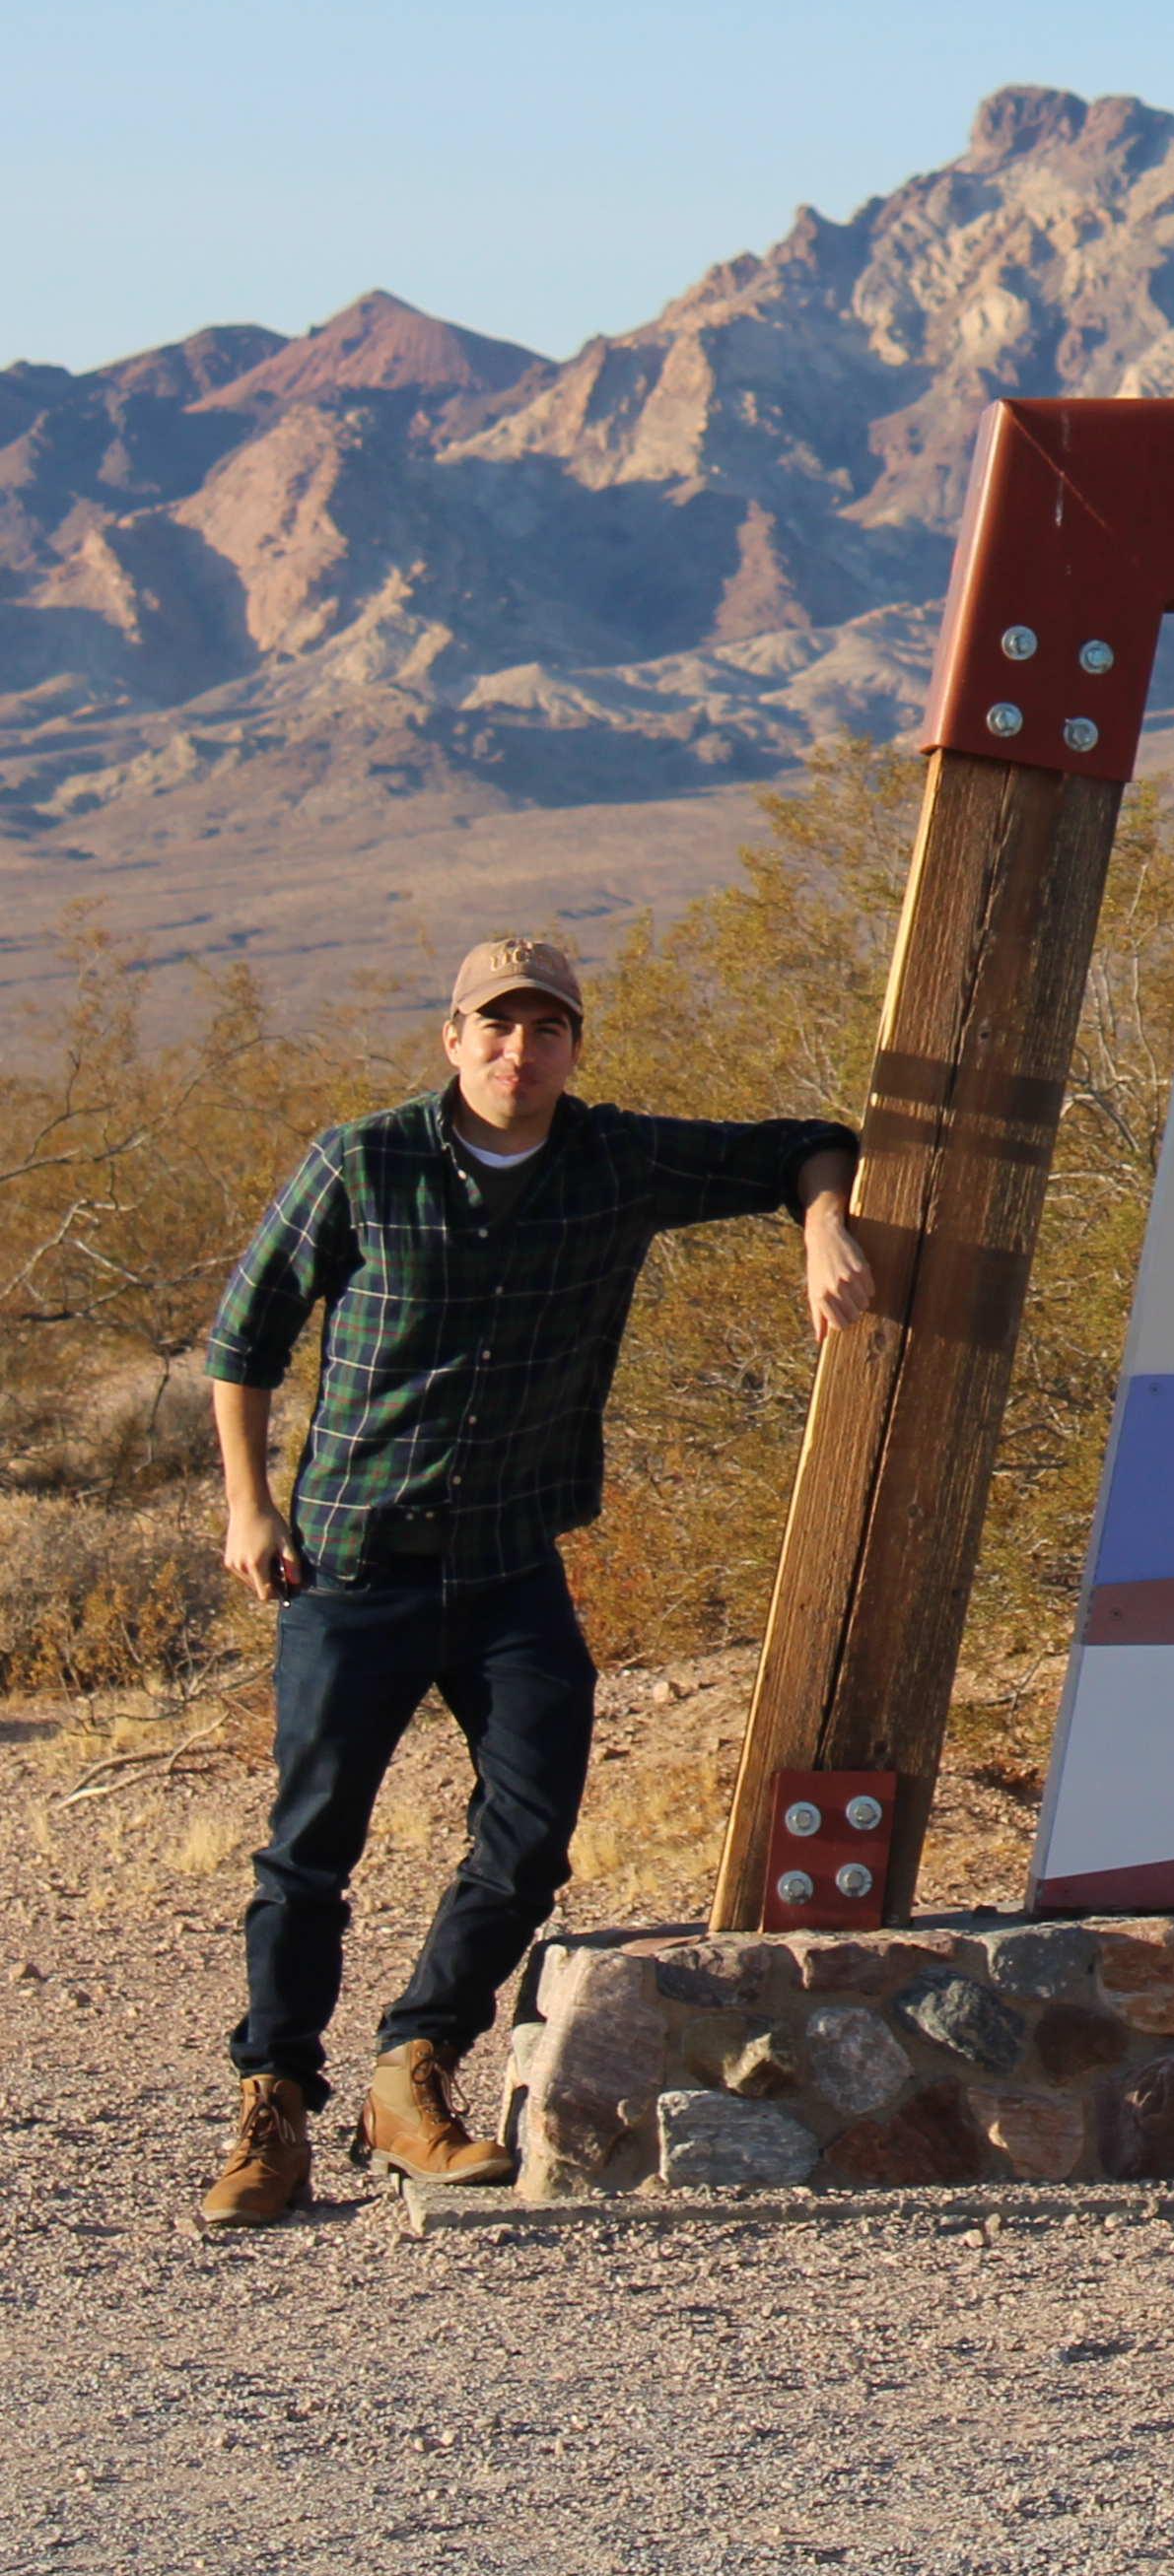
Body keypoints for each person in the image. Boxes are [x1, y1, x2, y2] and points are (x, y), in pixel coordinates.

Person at [192, 933, 870, 2229]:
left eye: (545, 1029)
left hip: (510, 1565)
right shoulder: (363, 1162)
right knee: (309, 1849)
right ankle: (271, 2108)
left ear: (574, 1046)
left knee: (530, 1836)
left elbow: (808, 1142)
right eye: (496, 1028)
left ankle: (414, 2066)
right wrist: (248, 1502)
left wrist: (823, 1224)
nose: (520, 1051)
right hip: (353, 1562)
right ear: (454, 1039)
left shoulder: (615, 1159)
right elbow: (245, 1339)